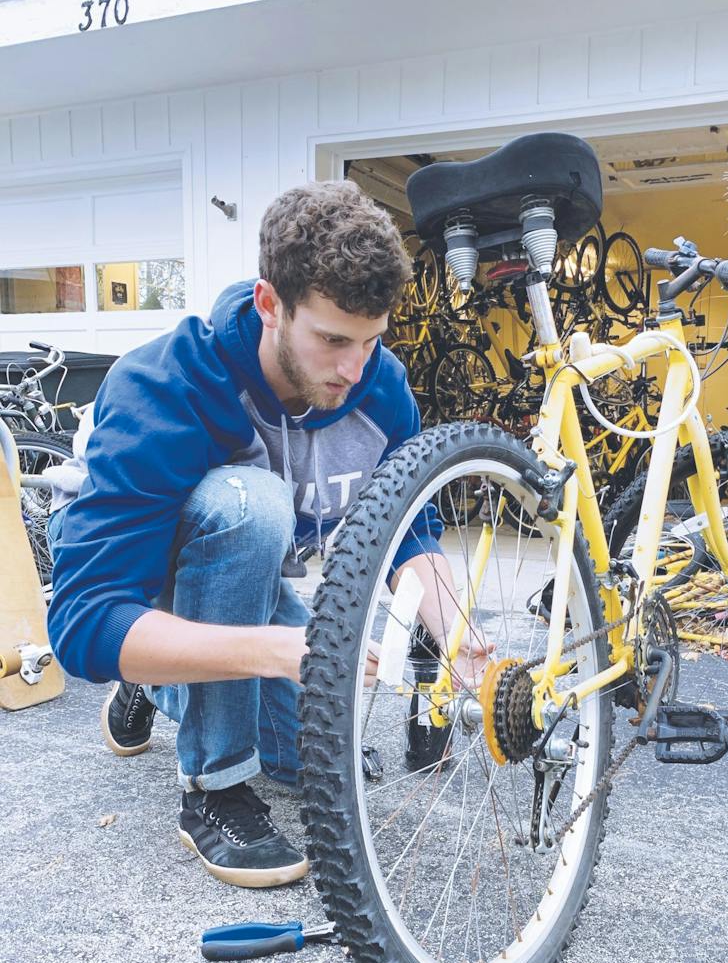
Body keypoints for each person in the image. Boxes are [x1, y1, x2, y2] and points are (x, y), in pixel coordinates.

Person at [47, 180, 485, 890]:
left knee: (311, 758)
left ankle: (162, 682)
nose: (354, 368)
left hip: (246, 587)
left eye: (371, 340)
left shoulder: (381, 387)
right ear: (269, 305)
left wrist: (458, 632)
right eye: (333, 339)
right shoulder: (166, 386)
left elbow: (414, 531)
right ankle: (213, 788)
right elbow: (81, 623)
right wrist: (279, 649)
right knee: (252, 502)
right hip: (147, 569)